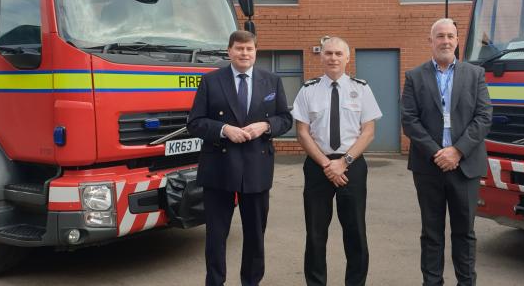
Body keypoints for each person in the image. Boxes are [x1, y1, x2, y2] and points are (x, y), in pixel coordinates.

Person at [187, 30, 293, 286]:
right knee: (216, 235)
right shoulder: (211, 81)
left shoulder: (271, 81)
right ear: (229, 51)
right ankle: (214, 282)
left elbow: (285, 119)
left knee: (255, 235)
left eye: (249, 49)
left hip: (256, 169)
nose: (244, 53)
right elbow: (195, 123)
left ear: (256, 52)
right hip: (219, 169)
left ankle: (251, 282)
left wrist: (265, 126)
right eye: (239, 48)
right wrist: (224, 130)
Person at [400, 18, 492, 286]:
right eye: (440, 36)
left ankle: (466, 282)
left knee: (465, 232)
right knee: (431, 233)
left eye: (451, 36)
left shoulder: (475, 74)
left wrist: (457, 151)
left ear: (456, 40)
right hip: (429, 168)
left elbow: (484, 116)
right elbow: (409, 120)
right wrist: (437, 153)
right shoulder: (414, 76)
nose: (446, 41)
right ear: (431, 41)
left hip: (465, 167)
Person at [290, 37, 382, 286]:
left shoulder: (361, 88)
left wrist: (344, 161)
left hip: (352, 164)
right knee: (316, 233)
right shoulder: (308, 89)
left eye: (338, 54)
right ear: (321, 56)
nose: (333, 58)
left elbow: (368, 132)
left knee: (355, 232)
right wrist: (326, 164)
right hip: (318, 165)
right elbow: (302, 132)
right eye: (328, 53)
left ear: (347, 58)